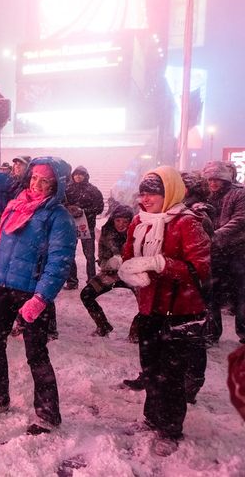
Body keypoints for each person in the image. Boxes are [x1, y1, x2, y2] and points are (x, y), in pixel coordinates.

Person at [0, 157, 76, 435]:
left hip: (31, 292)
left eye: (45, 181)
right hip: (3, 286)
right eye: (34, 178)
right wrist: (17, 179)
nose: (36, 185)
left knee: (36, 353)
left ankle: (47, 413)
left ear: (56, 185)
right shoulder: (16, 203)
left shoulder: (58, 218)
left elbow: (59, 263)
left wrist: (41, 299)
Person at [117, 166, 211, 456]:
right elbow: (129, 255)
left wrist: (161, 264)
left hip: (180, 311)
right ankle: (152, 417)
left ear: (169, 193)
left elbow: (200, 268)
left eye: (152, 194)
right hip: (150, 308)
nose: (145, 199)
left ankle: (170, 428)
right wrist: (126, 269)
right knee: (150, 368)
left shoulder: (187, 223)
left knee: (171, 374)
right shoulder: (139, 221)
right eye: (142, 194)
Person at [201, 161, 245, 345]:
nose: (213, 183)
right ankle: (212, 332)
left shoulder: (239, 193)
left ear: (225, 179)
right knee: (212, 293)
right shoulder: (206, 196)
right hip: (215, 252)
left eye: (216, 179)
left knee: (241, 293)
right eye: (210, 180)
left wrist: (216, 234)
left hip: (237, 251)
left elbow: (240, 219)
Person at [78, 204, 134, 336]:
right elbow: (102, 256)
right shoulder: (107, 231)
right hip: (111, 273)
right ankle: (103, 326)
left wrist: (128, 263)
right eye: (118, 220)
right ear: (113, 220)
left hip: (133, 274)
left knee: (148, 302)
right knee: (86, 295)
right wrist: (109, 264)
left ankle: (137, 333)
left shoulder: (137, 233)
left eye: (125, 221)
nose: (121, 224)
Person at [64, 165, 105, 289]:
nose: (78, 176)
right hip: (70, 226)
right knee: (69, 254)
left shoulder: (93, 190)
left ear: (85, 176)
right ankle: (72, 281)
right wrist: (70, 209)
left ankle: (92, 282)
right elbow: (61, 205)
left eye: (81, 174)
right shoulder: (67, 189)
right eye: (76, 174)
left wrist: (83, 212)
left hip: (88, 227)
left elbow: (99, 208)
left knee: (90, 256)